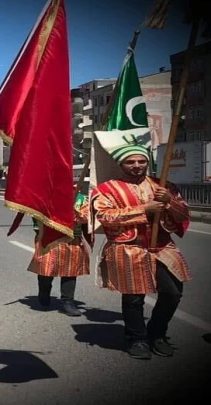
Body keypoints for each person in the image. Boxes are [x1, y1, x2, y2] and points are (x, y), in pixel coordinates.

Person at [91, 144, 191, 359]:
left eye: (141, 161)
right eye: (131, 162)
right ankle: (136, 339)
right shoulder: (107, 189)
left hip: (162, 246)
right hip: (129, 248)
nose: (137, 165)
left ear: (148, 162)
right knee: (134, 298)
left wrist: (170, 201)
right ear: (121, 164)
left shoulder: (163, 186)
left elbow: (183, 216)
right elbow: (105, 216)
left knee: (173, 293)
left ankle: (157, 334)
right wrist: (144, 209)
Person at [28, 187, 92, 316]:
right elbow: (37, 215)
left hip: (72, 239)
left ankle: (67, 302)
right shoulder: (43, 197)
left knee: (70, 271)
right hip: (48, 239)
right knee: (46, 270)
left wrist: (74, 211)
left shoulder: (80, 199)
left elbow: (86, 217)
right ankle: (44, 291)